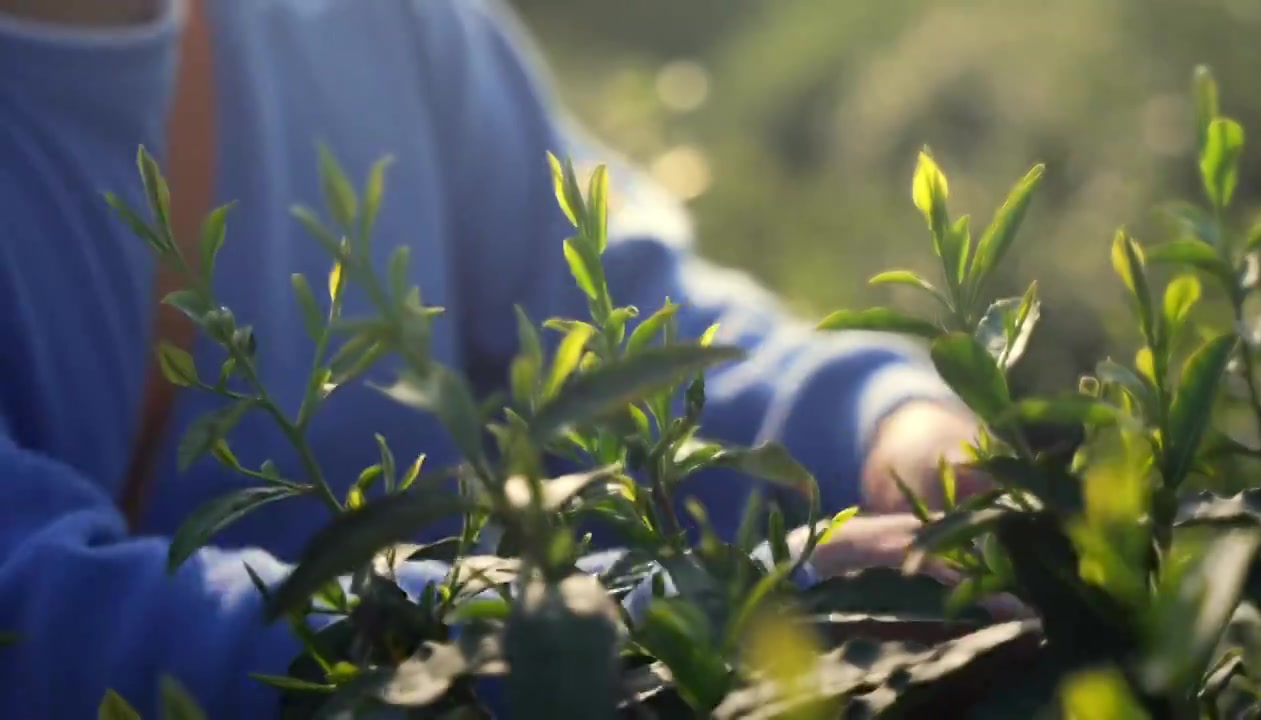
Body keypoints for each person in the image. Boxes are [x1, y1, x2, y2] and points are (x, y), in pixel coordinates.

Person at [0, 0, 988, 716]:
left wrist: (881, 425)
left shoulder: (373, 29)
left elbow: (624, 316)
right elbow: (47, 618)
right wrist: (633, 617)